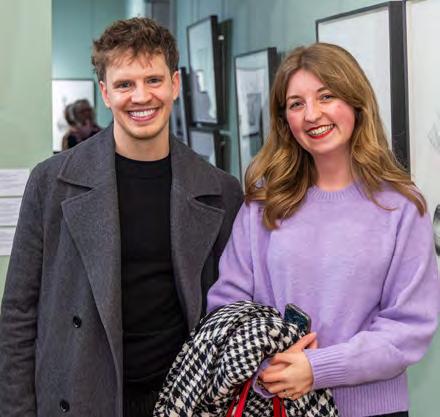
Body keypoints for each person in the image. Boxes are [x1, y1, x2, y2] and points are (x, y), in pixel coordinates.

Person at [0, 17, 243, 417]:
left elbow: (232, 310)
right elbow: (18, 314)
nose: (141, 96)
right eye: (125, 84)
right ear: (105, 93)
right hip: (80, 394)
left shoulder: (222, 191)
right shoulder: (51, 183)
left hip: (183, 396)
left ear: (175, 84)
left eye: (153, 80)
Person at [207, 43, 440, 417]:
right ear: (284, 119)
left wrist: (318, 369)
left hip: (371, 411)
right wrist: (270, 367)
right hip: (275, 405)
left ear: (356, 103)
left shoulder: (401, 206)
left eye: (326, 96)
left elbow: (409, 327)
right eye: (296, 104)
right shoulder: (263, 203)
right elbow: (228, 303)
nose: (312, 114)